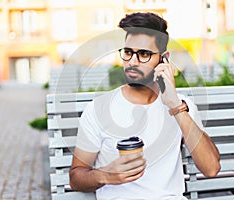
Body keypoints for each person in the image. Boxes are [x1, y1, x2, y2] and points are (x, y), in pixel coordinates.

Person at [70, 12, 220, 200]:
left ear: (164, 59)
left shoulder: (182, 107)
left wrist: (175, 107)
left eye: (144, 54)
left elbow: (211, 168)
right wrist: (106, 175)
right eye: (128, 52)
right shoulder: (99, 109)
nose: (132, 62)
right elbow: (76, 178)